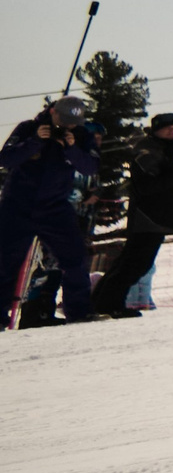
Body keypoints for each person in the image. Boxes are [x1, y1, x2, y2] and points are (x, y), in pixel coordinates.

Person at [2, 95, 101, 327]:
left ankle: (79, 312)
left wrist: (72, 149)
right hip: (16, 206)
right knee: (5, 262)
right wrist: (35, 142)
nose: (67, 126)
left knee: (75, 259)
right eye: (64, 120)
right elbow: (5, 158)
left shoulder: (82, 135)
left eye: (73, 122)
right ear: (53, 111)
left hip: (55, 208)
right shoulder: (29, 128)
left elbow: (90, 167)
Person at [94, 111, 173, 319]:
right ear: (156, 129)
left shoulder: (162, 149)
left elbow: (162, 185)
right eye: (168, 128)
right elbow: (148, 185)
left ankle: (101, 302)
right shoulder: (148, 150)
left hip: (156, 215)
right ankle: (110, 304)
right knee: (135, 263)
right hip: (148, 216)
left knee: (132, 261)